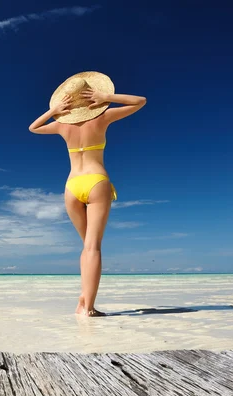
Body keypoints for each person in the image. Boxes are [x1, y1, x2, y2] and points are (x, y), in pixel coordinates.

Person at [28, 71, 146, 317]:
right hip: (96, 182)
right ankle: (89, 309)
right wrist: (106, 96)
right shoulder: (102, 119)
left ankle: (83, 299)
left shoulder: (61, 126)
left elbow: (33, 128)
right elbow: (140, 101)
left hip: (71, 187)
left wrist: (55, 110)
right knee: (93, 247)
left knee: (86, 247)